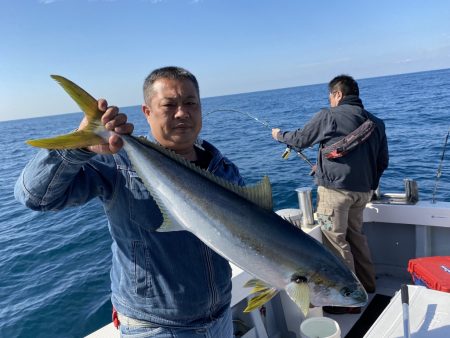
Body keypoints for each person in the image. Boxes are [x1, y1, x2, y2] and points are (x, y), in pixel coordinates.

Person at [15, 66, 245, 337]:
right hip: (156, 328)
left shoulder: (222, 169)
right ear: (147, 112)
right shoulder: (117, 162)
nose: (182, 113)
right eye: (169, 105)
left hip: (220, 318)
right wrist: (81, 148)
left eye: (190, 103)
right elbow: (34, 197)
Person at [271, 75, 389, 314]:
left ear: (337, 94)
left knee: (336, 242)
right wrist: (368, 185)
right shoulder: (376, 122)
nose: (330, 101)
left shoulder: (329, 116)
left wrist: (279, 135)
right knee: (357, 237)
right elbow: (382, 161)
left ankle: (348, 301)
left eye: (330, 97)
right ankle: (367, 285)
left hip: (335, 194)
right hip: (363, 193)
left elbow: (301, 139)